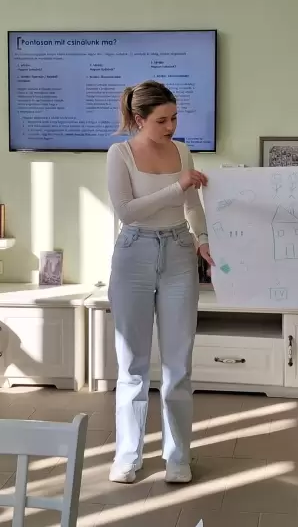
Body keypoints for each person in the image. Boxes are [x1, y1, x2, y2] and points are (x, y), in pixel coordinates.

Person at [105, 80, 212, 485]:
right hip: (134, 252)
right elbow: (127, 211)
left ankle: (178, 456)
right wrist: (176, 186)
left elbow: (192, 205)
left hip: (179, 252)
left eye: (174, 118)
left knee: (178, 365)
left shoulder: (182, 151)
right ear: (139, 119)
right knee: (132, 364)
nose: (171, 127)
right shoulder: (119, 154)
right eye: (162, 120)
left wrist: (203, 240)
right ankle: (127, 456)